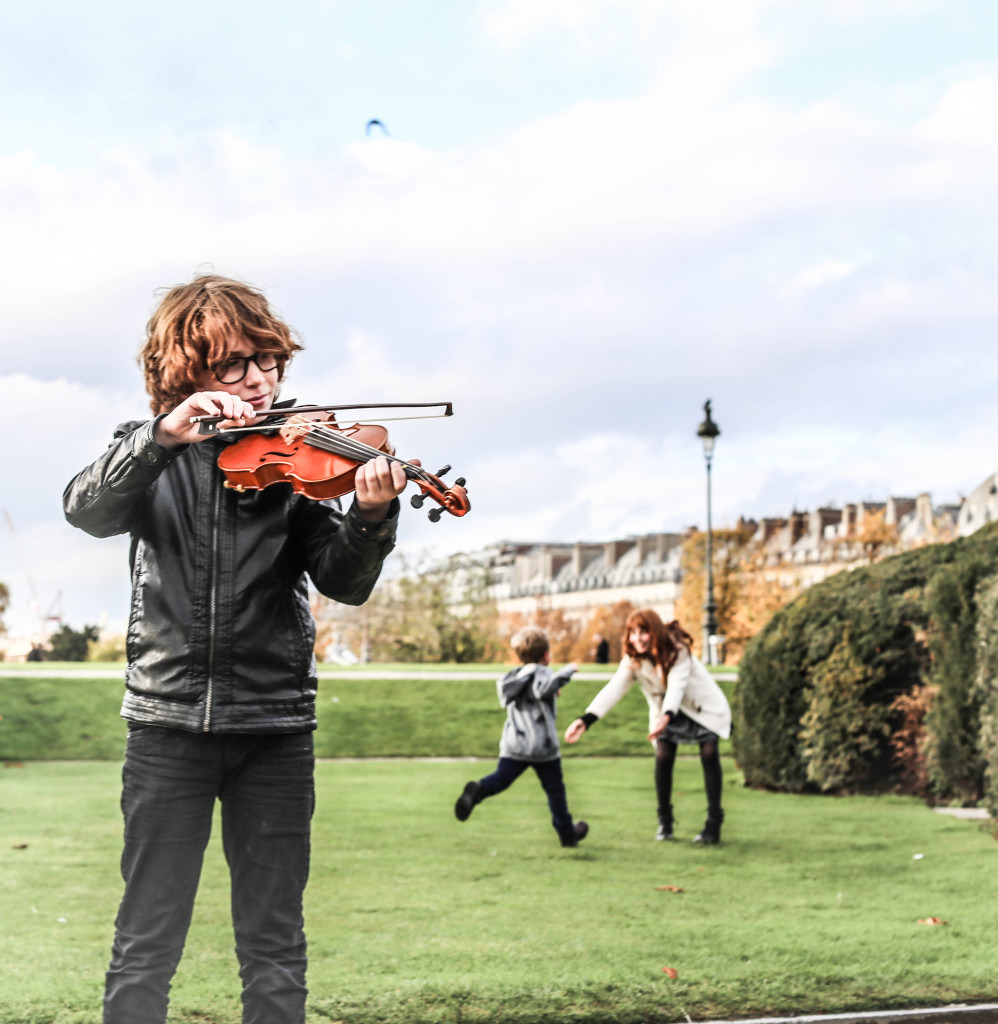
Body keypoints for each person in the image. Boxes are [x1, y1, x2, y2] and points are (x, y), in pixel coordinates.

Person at [63, 273, 407, 1024]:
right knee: (146, 941)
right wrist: (159, 437)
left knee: (275, 945)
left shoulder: (297, 461)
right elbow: (85, 510)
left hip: (275, 729)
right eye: (236, 367)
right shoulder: (145, 453)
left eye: (269, 362)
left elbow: (343, 582)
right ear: (187, 374)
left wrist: (372, 516)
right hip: (166, 729)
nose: (260, 381)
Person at [565, 608, 731, 844]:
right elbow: (614, 689)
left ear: (655, 632)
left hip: (699, 708)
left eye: (643, 632)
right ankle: (665, 822)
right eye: (633, 633)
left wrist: (668, 715)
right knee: (663, 756)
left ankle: (714, 824)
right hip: (665, 712)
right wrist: (586, 720)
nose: (638, 638)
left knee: (710, 753)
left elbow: (677, 684)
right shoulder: (633, 660)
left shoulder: (678, 650)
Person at [454, 625, 589, 848]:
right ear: (546, 655)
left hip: (515, 744)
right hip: (542, 747)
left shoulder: (516, 676)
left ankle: (479, 789)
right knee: (555, 791)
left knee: (501, 778)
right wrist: (567, 672)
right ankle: (567, 833)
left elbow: (536, 692)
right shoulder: (544, 673)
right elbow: (542, 690)